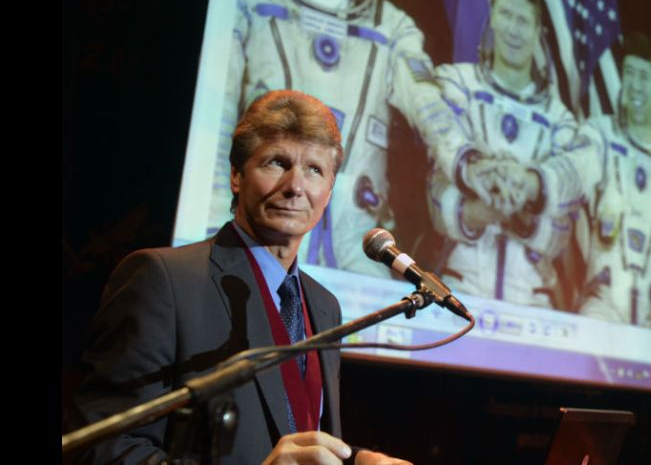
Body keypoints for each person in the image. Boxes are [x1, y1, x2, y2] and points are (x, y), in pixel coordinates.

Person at [68, 91, 411, 464]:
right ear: (236, 175)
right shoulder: (162, 279)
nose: (295, 186)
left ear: (328, 192)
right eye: (277, 163)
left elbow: (293, 431)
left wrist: (355, 459)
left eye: (315, 169)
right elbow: (99, 448)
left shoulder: (323, 305)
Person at [206, 0, 472, 278]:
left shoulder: (392, 26)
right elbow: (214, 118)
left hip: (355, 236)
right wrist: (214, 221)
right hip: (268, 227)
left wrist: (467, 162)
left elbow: (430, 107)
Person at [427, 0, 588, 309]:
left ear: (537, 30)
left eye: (523, 20)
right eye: (506, 15)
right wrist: (478, 212)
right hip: (460, 285)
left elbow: (561, 230)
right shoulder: (457, 84)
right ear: (493, 18)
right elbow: (435, 191)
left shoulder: (560, 120)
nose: (514, 29)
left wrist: (522, 198)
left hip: (532, 297)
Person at [577, 33, 651, 329]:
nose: (635, 84)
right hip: (602, 304)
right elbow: (575, 169)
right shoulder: (602, 134)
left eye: (643, 76)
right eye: (629, 74)